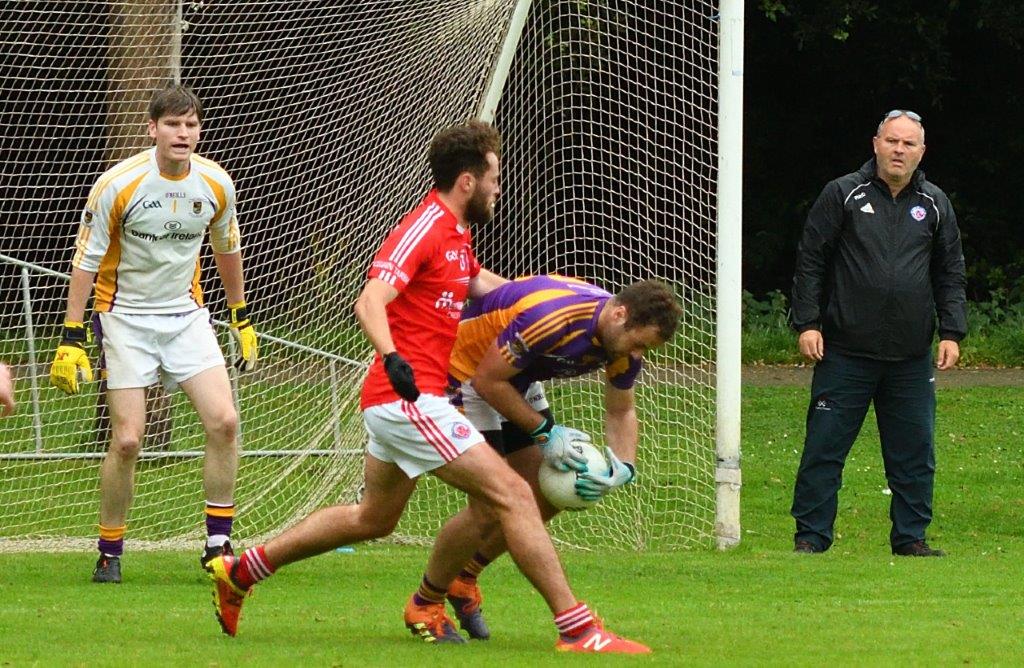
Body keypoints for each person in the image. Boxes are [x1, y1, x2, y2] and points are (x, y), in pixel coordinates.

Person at [205, 121, 650, 654]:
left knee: (373, 518)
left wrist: (553, 299)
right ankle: (578, 629)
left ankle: (242, 571)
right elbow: (370, 300)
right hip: (409, 398)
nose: (498, 188)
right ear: (468, 181)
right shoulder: (426, 227)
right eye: (494, 177)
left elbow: (488, 288)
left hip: (404, 402)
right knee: (512, 494)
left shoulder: (459, 239)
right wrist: (392, 358)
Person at [49, 84, 258, 583]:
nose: (181, 133)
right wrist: (72, 334)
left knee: (225, 422)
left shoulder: (216, 184)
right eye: (171, 124)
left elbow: (227, 248)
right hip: (123, 319)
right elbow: (85, 261)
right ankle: (109, 551)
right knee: (126, 441)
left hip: (186, 317)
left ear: (199, 131)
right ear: (153, 129)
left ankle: (217, 542)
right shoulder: (119, 184)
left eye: (190, 125)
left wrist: (241, 316)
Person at [409, 274, 682, 641]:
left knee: (554, 490)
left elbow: (621, 411)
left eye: (645, 349)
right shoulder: (553, 318)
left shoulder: (622, 345)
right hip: (463, 373)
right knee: (491, 504)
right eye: (638, 344)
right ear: (620, 315)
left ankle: (465, 577)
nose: (638, 355)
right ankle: (426, 602)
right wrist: (546, 432)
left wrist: (624, 467)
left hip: (515, 379)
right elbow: (488, 381)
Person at [789, 109, 966, 557]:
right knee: (824, 449)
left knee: (914, 454)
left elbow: (950, 272)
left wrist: (952, 331)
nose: (899, 150)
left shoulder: (935, 203)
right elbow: (811, 259)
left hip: (910, 356)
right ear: (876, 143)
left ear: (921, 152)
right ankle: (811, 537)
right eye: (892, 141)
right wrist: (807, 322)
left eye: (908, 144)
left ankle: (911, 538)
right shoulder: (844, 194)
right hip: (845, 351)